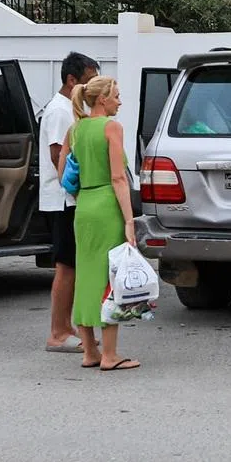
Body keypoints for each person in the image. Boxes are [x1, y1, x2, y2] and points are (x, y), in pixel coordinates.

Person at [68, 76, 141, 371]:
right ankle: (110, 355)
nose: (120, 101)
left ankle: (90, 351)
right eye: (117, 96)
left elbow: (67, 170)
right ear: (102, 99)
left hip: (84, 204)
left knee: (86, 275)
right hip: (106, 205)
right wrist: (129, 220)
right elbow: (118, 177)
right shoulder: (112, 127)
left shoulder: (78, 128)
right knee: (111, 278)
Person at [40, 52, 100, 353]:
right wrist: (78, 192)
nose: (92, 89)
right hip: (63, 200)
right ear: (71, 80)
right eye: (89, 82)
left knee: (73, 265)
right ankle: (57, 332)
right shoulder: (60, 111)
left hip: (69, 199)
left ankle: (67, 326)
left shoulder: (72, 109)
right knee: (66, 267)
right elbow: (57, 157)